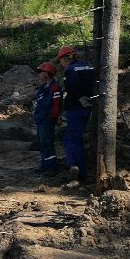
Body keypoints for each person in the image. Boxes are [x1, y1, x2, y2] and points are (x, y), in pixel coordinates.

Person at [57, 46, 95, 183]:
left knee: (73, 139)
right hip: (88, 107)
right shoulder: (87, 67)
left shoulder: (70, 70)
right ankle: (76, 168)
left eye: (60, 60)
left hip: (76, 108)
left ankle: (77, 170)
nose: (61, 64)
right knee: (71, 137)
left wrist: (79, 97)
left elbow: (72, 87)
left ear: (65, 58)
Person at [32, 62, 62, 174]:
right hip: (41, 119)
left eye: (41, 72)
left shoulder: (54, 88)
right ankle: (44, 165)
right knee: (42, 142)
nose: (39, 74)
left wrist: (51, 118)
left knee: (47, 142)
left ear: (47, 73)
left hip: (48, 120)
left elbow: (56, 105)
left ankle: (52, 167)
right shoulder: (43, 88)